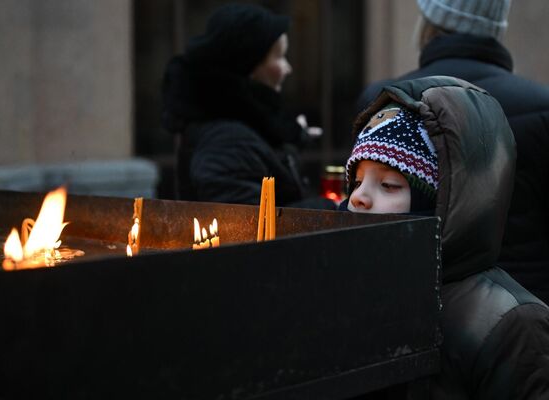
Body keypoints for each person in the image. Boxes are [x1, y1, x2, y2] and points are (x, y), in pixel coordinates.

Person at [343, 76, 549, 399]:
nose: (358, 198)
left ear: (438, 201)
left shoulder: (512, 325)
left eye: (388, 185)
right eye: (356, 182)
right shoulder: (351, 294)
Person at [356, 0, 549, 304]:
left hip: (410, 296)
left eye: (388, 184)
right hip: (528, 301)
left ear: (429, 21)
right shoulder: (541, 105)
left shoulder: (388, 99)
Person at [162, 3, 333, 209]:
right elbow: (245, 230)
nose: (288, 68)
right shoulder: (227, 143)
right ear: (248, 65)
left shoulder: (251, 121)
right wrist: (333, 210)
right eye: (279, 56)